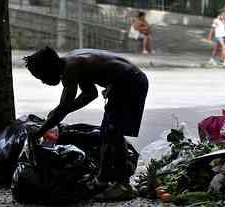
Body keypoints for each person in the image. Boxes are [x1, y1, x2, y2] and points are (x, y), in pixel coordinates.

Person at [23, 47, 149, 200]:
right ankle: (102, 181)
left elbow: (63, 107)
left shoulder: (71, 68)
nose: (43, 81)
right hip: (122, 84)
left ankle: (123, 186)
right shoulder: (71, 62)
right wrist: (60, 112)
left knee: (113, 134)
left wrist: (40, 131)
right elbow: (90, 94)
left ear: (50, 67)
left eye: (42, 76)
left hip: (131, 84)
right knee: (107, 135)